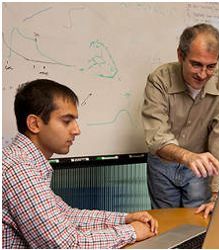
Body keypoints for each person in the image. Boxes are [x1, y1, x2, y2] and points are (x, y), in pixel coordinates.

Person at [2, 79, 158, 249]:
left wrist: (125, 219)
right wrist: (131, 232)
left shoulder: (24, 162)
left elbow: (67, 216)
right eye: (66, 121)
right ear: (34, 124)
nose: (76, 130)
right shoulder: (19, 169)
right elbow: (66, 245)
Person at [141, 23, 219, 218]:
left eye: (211, 66)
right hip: (162, 164)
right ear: (180, 56)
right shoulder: (160, 79)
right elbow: (157, 136)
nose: (203, 74)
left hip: (201, 168)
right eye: (196, 64)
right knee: (164, 224)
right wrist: (187, 157)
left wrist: (217, 194)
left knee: (199, 223)